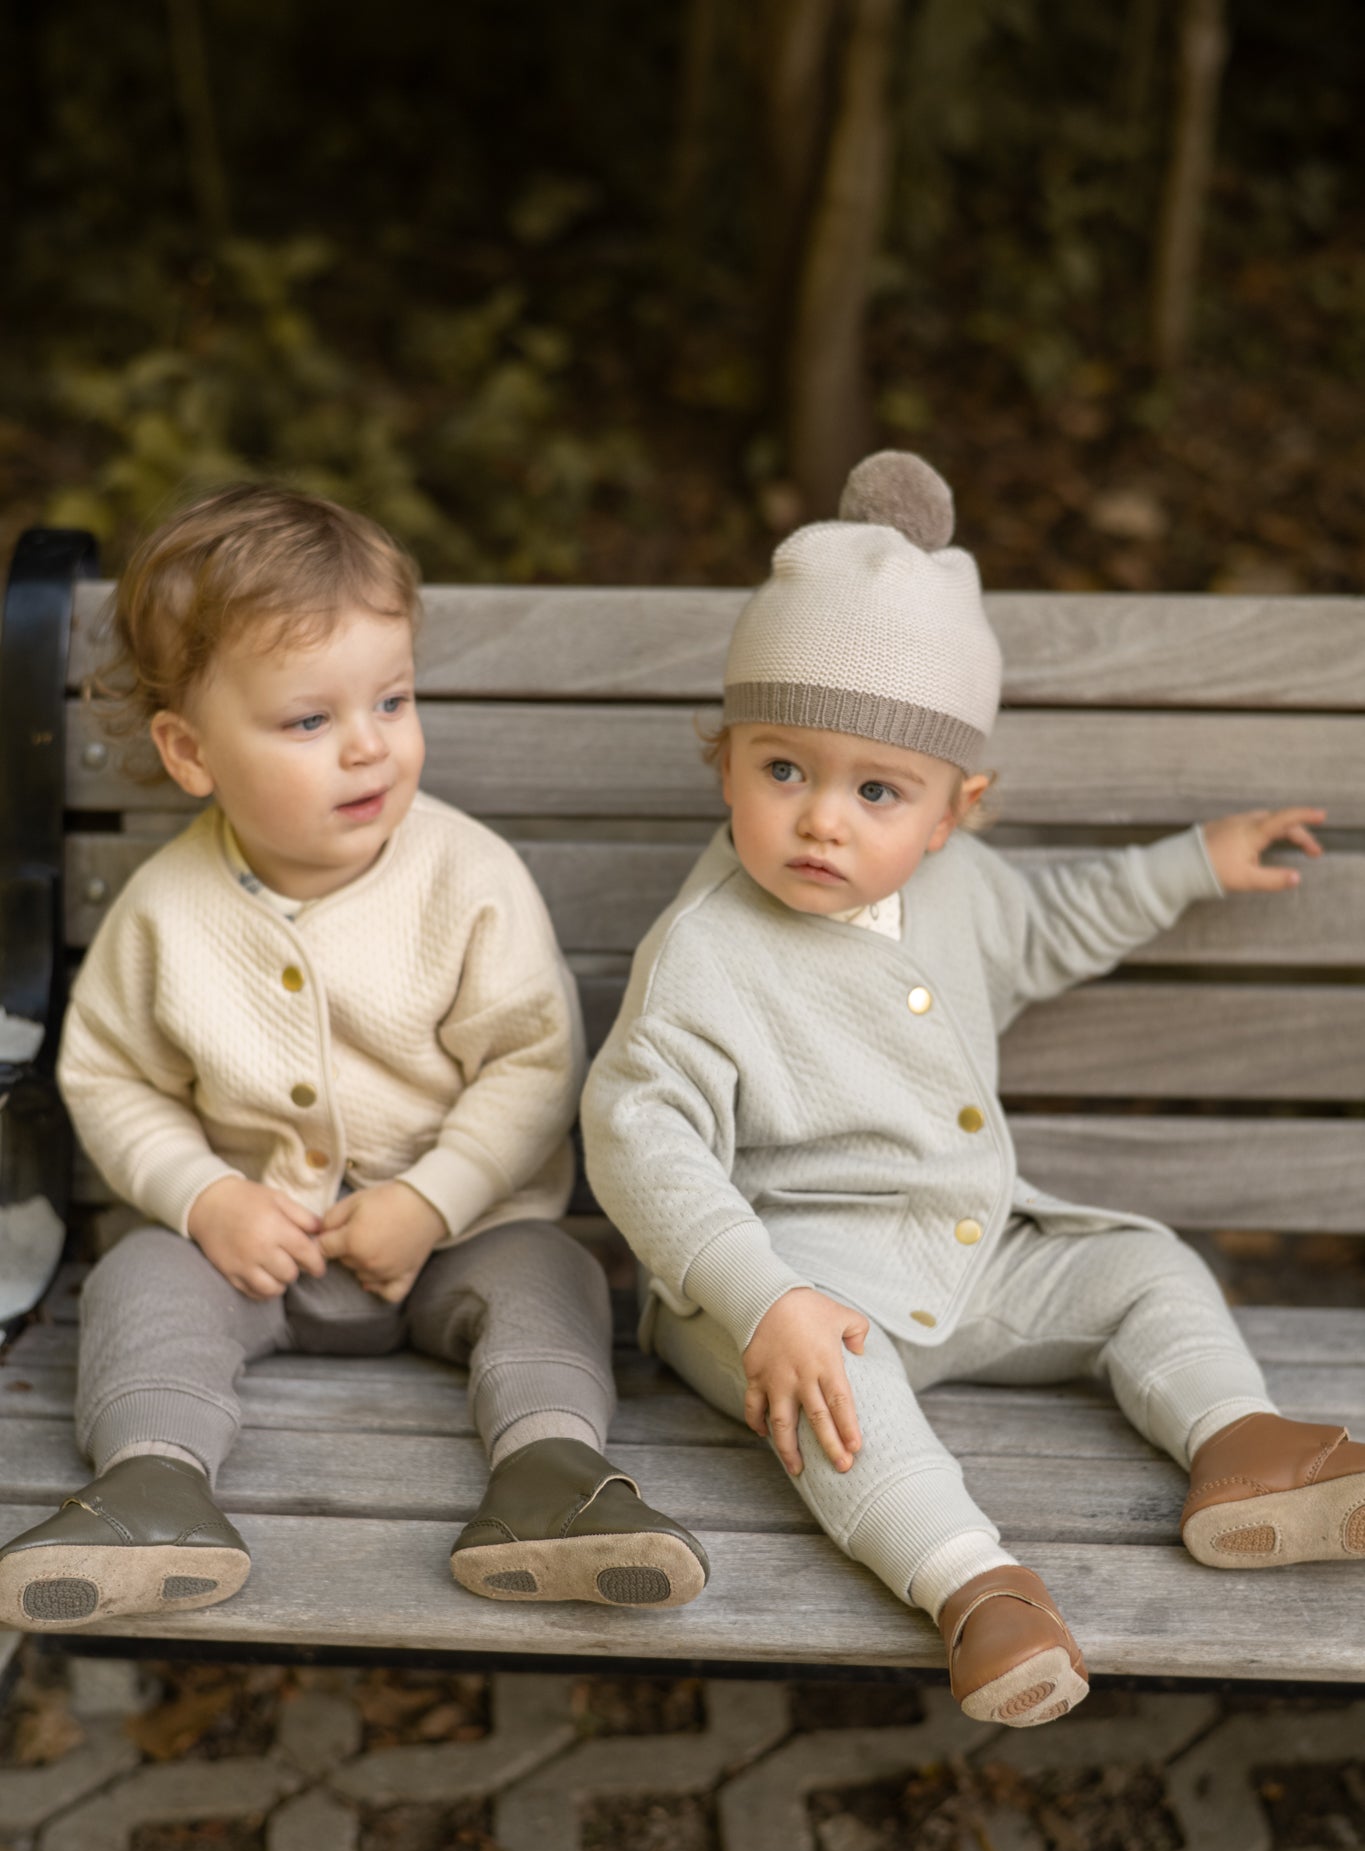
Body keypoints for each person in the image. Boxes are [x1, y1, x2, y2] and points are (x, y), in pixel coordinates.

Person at [581, 449, 1363, 1729]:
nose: (823, 819)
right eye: (784, 770)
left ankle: (1238, 1443)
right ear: (723, 762)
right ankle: (973, 1585)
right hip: (788, 1291)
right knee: (843, 1402)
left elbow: (1055, 921)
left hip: (971, 1252)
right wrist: (759, 1294)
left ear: (955, 810)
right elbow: (639, 1141)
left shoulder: (958, 891)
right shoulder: (706, 953)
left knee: (1142, 1262)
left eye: (876, 789)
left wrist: (1192, 864)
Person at [0, 483, 708, 1633]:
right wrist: (206, 1196)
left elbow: (532, 1064)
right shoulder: (164, 911)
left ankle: (549, 1477)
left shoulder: (466, 878)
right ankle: (153, 1484)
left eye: (393, 697)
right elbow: (111, 1078)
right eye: (308, 720)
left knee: (554, 1275)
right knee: (137, 1279)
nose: (370, 742)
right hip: (252, 1256)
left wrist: (435, 1199)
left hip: (457, 1241)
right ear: (191, 751)